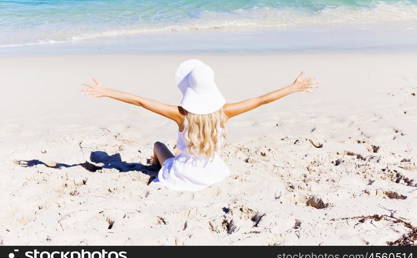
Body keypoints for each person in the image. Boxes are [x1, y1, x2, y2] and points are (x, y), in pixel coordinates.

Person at [82, 59, 317, 191]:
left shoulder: (181, 115)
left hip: (182, 173)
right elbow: (261, 100)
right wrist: (293, 87)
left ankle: (155, 168)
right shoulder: (224, 113)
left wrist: (106, 91)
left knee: (157, 145)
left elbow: (142, 101)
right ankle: (159, 167)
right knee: (178, 151)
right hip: (212, 172)